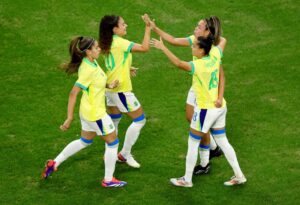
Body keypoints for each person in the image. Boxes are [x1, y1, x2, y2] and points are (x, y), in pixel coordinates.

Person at [150, 34, 246, 187]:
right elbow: (222, 45)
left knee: (193, 143)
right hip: (220, 107)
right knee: (223, 142)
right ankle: (239, 175)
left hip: (205, 110)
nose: (191, 47)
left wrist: (163, 48)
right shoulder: (215, 55)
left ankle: (187, 180)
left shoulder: (199, 66)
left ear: (202, 50)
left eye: (195, 46)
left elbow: (179, 63)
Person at [41, 36, 127, 188]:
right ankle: (108, 180)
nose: (99, 49)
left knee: (84, 141)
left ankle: (54, 163)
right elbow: (73, 93)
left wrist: (108, 84)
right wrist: (69, 118)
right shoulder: (87, 69)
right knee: (113, 142)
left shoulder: (91, 62)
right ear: (88, 51)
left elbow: (95, 82)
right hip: (96, 114)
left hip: (87, 112)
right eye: (96, 47)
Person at [145, 16, 224, 175]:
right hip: (196, 86)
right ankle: (214, 148)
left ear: (207, 31)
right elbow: (173, 40)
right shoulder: (196, 39)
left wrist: (220, 96)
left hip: (204, 90)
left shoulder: (214, 50)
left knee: (200, 126)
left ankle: (205, 162)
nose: (195, 28)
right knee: (190, 117)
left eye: (199, 26)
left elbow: (182, 63)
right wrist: (154, 27)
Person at [98, 14, 151, 168]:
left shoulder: (108, 42)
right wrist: (148, 28)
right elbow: (144, 48)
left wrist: (127, 68)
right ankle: (124, 154)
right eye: (123, 24)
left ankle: (110, 153)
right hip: (120, 90)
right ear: (115, 29)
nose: (126, 25)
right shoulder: (120, 43)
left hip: (109, 88)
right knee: (140, 120)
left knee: (114, 119)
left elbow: (114, 62)